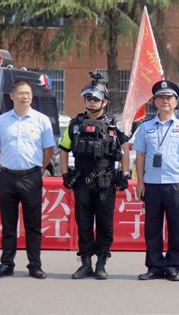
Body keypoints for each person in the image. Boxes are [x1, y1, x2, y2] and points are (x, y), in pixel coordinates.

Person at [59, 73, 130, 280]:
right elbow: (63, 149)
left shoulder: (113, 125)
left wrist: (124, 174)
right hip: (81, 182)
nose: (91, 102)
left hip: (105, 183)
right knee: (83, 223)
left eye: (96, 98)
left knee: (105, 223)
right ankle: (85, 263)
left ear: (104, 102)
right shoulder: (75, 124)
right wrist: (65, 174)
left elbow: (125, 149)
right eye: (88, 98)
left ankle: (101, 262)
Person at [0, 79, 55, 279]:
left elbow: (49, 149)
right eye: (21, 93)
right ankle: (6, 264)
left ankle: (35, 265)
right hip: (7, 177)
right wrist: (3, 166)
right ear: (12, 96)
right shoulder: (1, 121)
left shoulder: (41, 120)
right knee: (8, 224)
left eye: (28, 93)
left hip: (31, 177)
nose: (26, 97)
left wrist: (37, 169)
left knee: (33, 224)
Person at [134, 80, 179, 281]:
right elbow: (141, 155)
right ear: (154, 102)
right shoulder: (145, 127)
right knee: (152, 226)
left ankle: (173, 266)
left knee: (176, 225)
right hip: (151, 183)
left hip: (175, 182)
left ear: (176, 102)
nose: (165, 101)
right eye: (160, 97)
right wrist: (140, 182)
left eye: (169, 97)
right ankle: (154, 265)